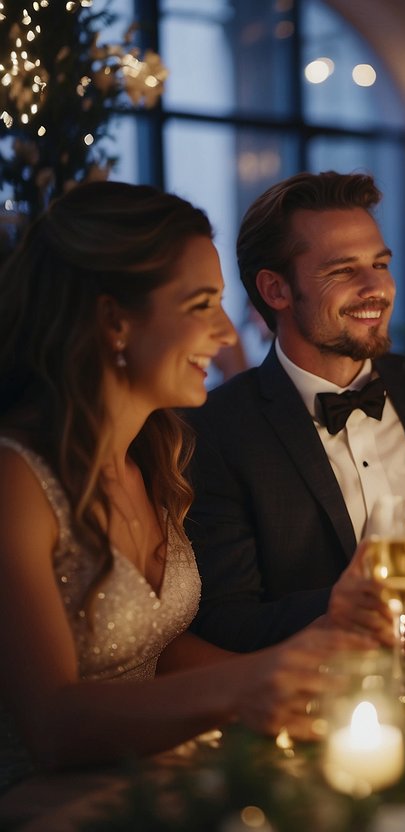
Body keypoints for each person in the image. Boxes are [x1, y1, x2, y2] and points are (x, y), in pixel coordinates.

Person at [0, 182, 371, 795]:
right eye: (203, 304)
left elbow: (159, 649)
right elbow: (52, 724)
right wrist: (248, 685)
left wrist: (313, 667)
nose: (228, 334)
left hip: (158, 775)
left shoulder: (157, 457)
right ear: (114, 320)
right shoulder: (17, 480)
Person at [185, 171, 405, 652]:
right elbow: (226, 620)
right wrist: (344, 610)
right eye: (343, 271)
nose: (376, 288)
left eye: (380, 265)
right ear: (276, 289)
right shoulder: (218, 429)